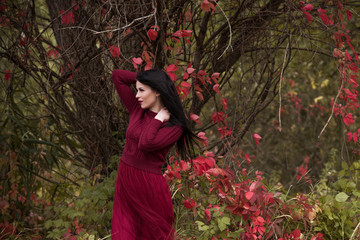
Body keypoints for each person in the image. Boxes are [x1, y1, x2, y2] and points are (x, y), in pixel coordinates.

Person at [111, 68, 197, 239]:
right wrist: (146, 79)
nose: (136, 95)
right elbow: (117, 76)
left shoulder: (174, 127)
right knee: (122, 234)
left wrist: (158, 119)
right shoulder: (137, 109)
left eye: (141, 90)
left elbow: (145, 144)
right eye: (136, 89)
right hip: (126, 182)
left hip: (148, 188)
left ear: (157, 91)